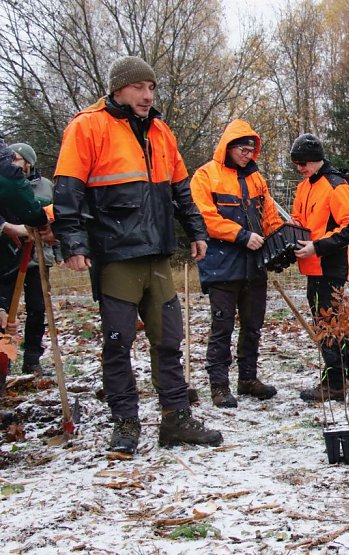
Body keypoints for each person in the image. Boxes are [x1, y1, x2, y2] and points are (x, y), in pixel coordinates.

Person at [52, 55, 222, 454]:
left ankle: (176, 419)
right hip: (116, 256)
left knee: (169, 340)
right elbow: (67, 191)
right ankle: (125, 422)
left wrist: (196, 231)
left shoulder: (161, 131)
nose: (147, 95)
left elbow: (181, 190)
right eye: (139, 87)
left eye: (151, 88)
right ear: (118, 88)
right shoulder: (87, 127)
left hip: (157, 254)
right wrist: (73, 243)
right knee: (118, 341)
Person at [190, 120, 281, 408]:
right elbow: (204, 218)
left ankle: (248, 379)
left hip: (254, 264)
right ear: (227, 146)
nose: (247, 152)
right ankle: (219, 385)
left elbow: (268, 214)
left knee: (253, 325)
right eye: (242, 147)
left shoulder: (256, 179)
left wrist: (280, 240)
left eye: (251, 147)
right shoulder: (205, 176)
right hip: (221, 264)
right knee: (222, 327)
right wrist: (241, 236)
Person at [287, 133, 349, 402]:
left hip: (329, 266)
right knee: (336, 324)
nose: (299, 168)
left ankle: (333, 385)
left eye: (302, 163)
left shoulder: (336, 186)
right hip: (312, 265)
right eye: (296, 163)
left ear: (315, 159)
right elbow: (299, 220)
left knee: (326, 327)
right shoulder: (305, 186)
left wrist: (318, 247)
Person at [0, 143, 63, 375]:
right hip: (9, 256)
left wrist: (57, 249)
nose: (14, 163)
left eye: (17, 159)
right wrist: (14, 228)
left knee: (37, 309)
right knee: (4, 311)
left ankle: (32, 359)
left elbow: (53, 217)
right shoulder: (8, 181)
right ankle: (4, 365)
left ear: (29, 163)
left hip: (38, 256)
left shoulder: (45, 185)